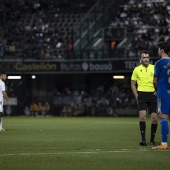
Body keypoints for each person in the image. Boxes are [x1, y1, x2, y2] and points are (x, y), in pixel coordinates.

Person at [131, 50, 158, 146]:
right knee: (142, 117)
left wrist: (157, 90)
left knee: (154, 118)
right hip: (142, 95)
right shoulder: (136, 69)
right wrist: (137, 95)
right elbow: (133, 84)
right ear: (140, 59)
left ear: (149, 58)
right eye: (144, 57)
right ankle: (143, 139)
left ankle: (152, 140)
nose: (146, 59)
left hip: (152, 95)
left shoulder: (154, 68)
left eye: (147, 57)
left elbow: (158, 80)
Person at [152, 41, 170, 150]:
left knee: (163, 117)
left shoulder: (159, 63)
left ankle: (164, 144)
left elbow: (154, 80)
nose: (158, 51)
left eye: (158, 49)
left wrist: (156, 90)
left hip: (162, 93)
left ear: (162, 50)